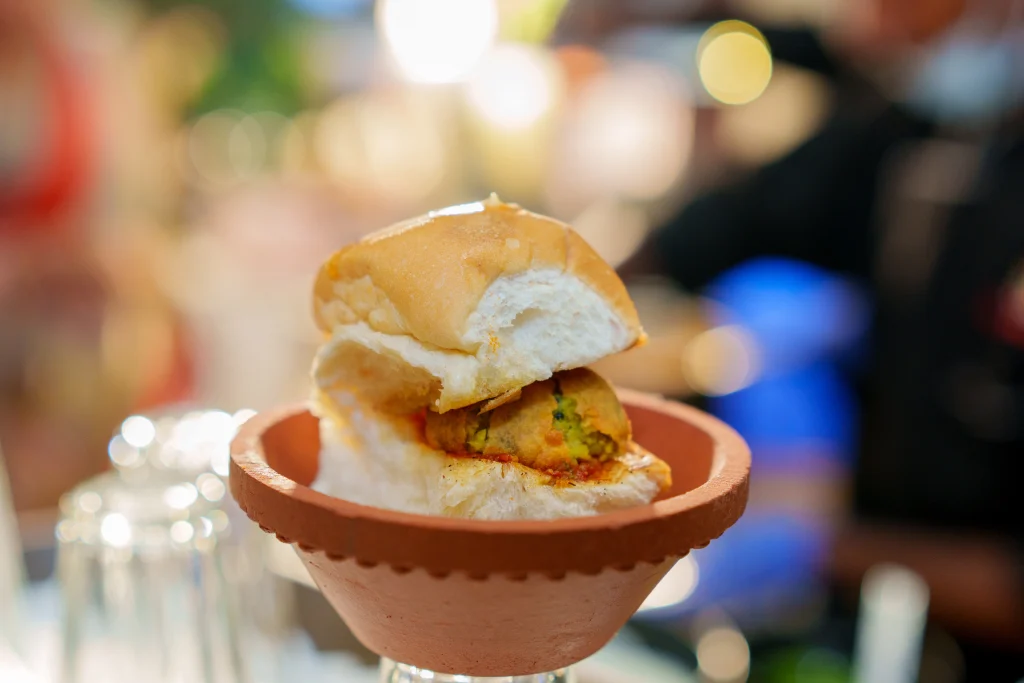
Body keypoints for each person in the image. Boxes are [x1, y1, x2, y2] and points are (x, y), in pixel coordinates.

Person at [618, 0, 1024, 675]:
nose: (877, 19)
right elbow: (740, 219)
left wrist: (821, 545)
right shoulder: (913, 128)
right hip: (876, 615)